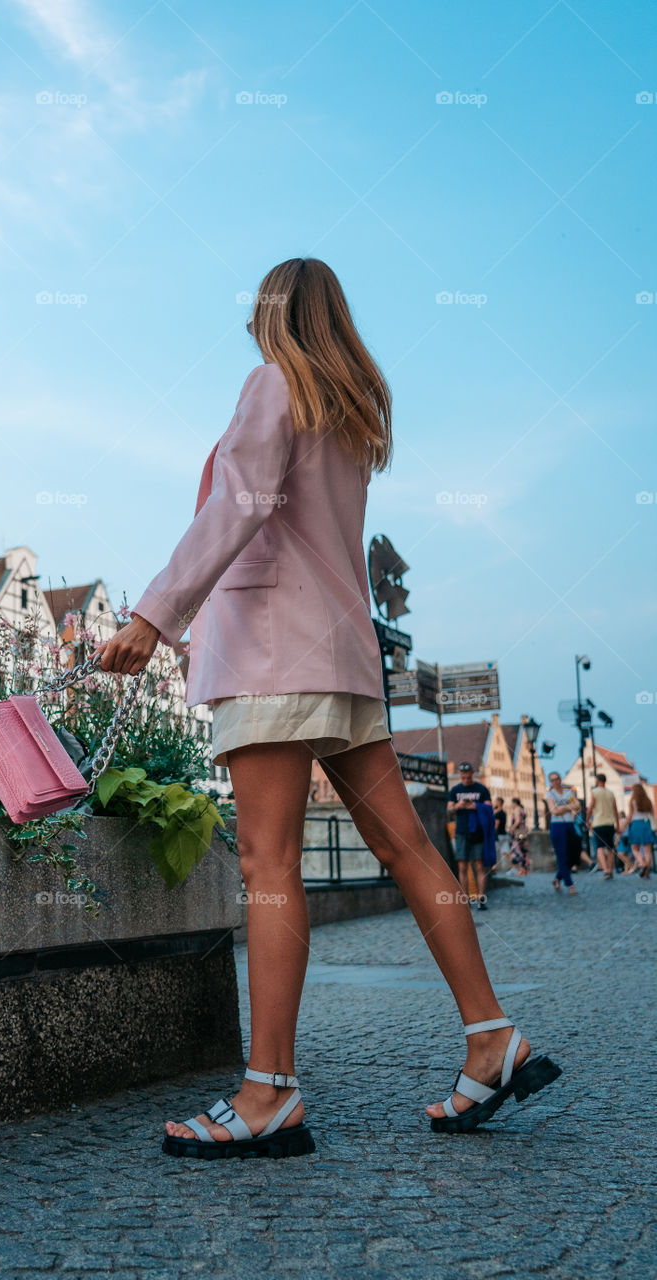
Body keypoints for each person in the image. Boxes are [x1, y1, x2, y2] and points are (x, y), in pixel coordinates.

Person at [95, 257, 561, 1158]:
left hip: (273, 653)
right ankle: (490, 1036)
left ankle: (267, 1092)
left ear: (273, 314)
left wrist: (154, 613)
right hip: (342, 659)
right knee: (407, 847)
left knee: (268, 864)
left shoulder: (272, 387)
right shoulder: (345, 418)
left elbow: (237, 505)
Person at [447, 763, 493, 909]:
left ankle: (481, 898)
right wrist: (457, 806)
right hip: (461, 831)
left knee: (479, 866)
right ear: (460, 775)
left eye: (468, 777)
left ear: (472, 773)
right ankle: (465, 899)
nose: (466, 780)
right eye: (463, 777)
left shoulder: (481, 789)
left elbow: (489, 807)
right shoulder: (455, 790)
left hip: (478, 832)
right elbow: (449, 810)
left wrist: (475, 806)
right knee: (462, 866)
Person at [545, 771, 579, 895]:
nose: (555, 782)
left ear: (560, 780)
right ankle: (570, 884)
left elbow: (577, 804)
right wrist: (569, 807)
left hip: (570, 825)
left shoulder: (568, 792)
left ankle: (557, 879)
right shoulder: (550, 794)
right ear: (551, 782)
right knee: (562, 855)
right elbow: (553, 811)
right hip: (557, 826)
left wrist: (563, 808)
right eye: (552, 780)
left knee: (572, 855)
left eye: (557, 779)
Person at [587, 773, 619, 878]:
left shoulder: (595, 792)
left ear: (597, 781)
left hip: (599, 823)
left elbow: (591, 807)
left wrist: (587, 820)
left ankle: (605, 870)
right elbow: (615, 810)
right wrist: (617, 824)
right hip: (610, 823)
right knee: (610, 848)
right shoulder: (610, 793)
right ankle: (610, 870)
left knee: (600, 847)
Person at [625, 783, 654, 879]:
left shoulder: (632, 801)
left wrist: (625, 825)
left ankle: (642, 863)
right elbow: (653, 814)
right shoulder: (648, 801)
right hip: (646, 823)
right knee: (648, 850)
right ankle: (647, 873)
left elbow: (629, 816)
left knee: (634, 848)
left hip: (636, 824)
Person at [507, 797, 530, 874]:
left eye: (512, 803)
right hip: (523, 832)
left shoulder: (517, 809)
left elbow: (517, 821)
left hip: (517, 833)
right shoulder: (522, 809)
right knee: (524, 851)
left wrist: (512, 829)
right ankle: (524, 869)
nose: (511, 805)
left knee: (516, 850)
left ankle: (519, 869)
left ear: (514, 803)